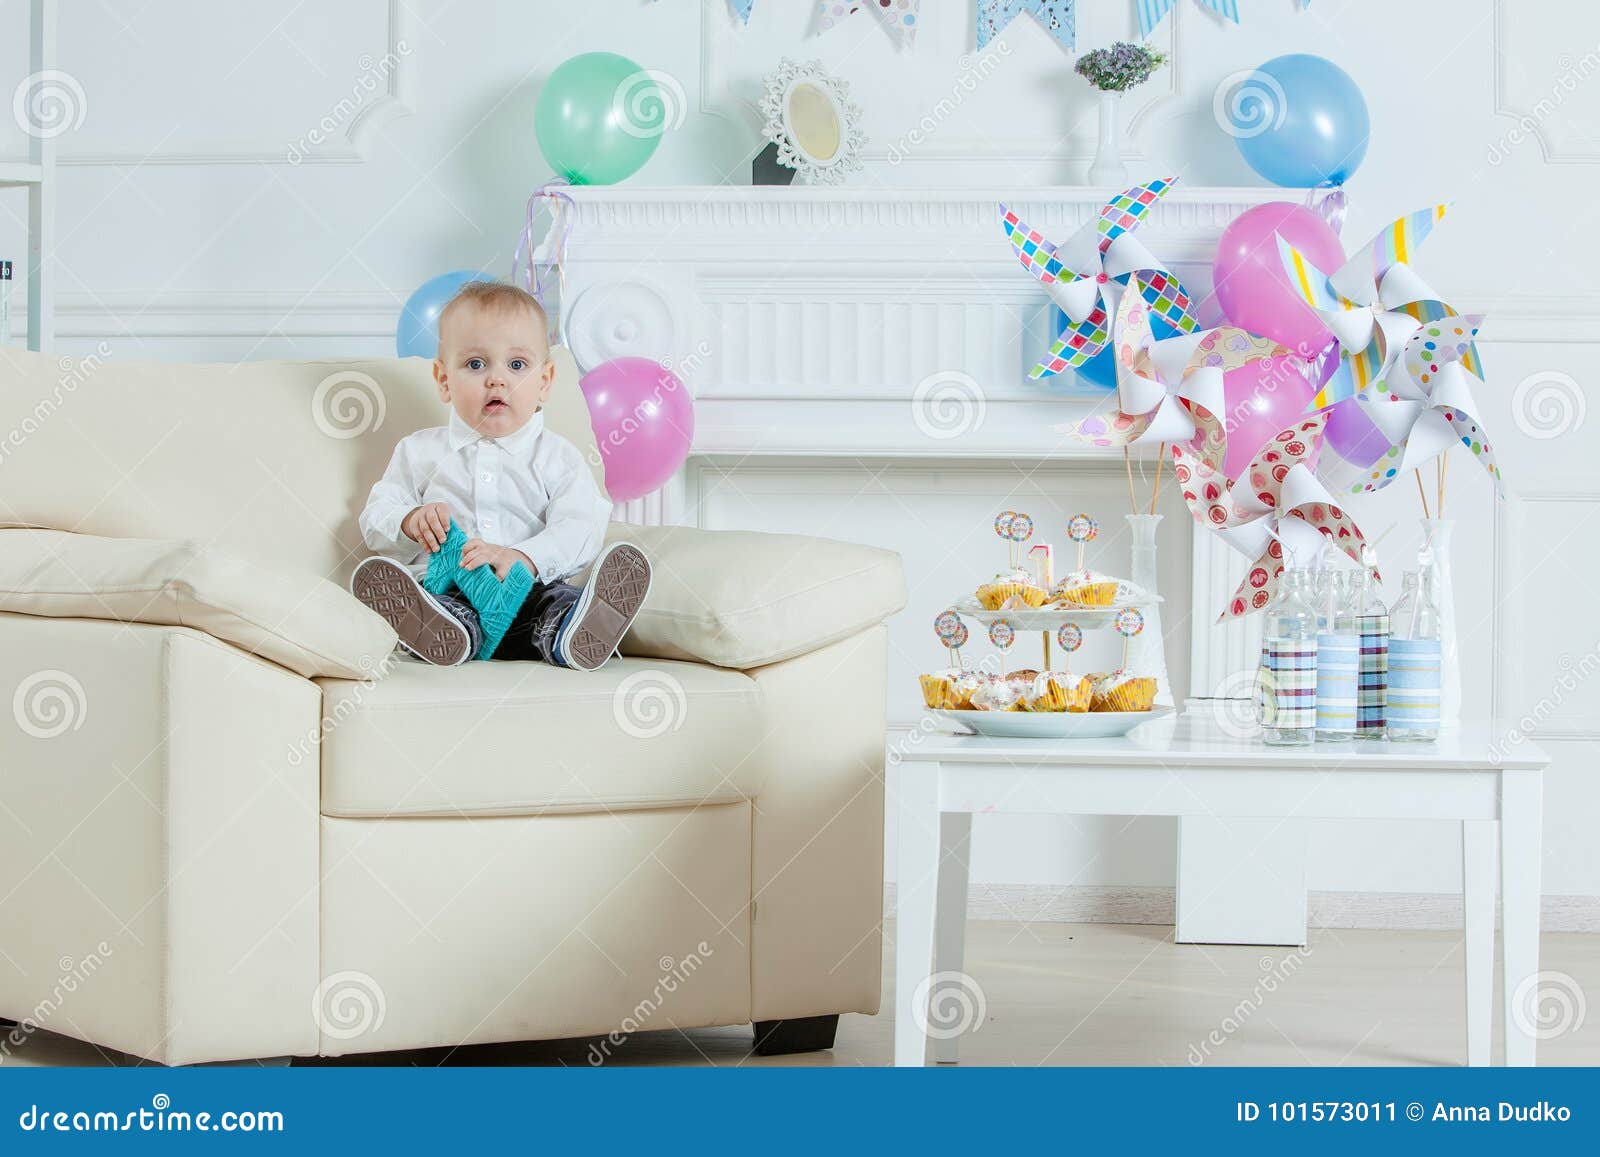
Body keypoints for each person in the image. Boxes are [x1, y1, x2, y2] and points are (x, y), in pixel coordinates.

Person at [350, 281, 649, 669]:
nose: (497, 379)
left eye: (517, 365)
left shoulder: (558, 457)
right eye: (476, 365)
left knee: (556, 604)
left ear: (544, 383)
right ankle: (439, 632)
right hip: (457, 591)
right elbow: (376, 515)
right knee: (445, 604)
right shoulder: (420, 451)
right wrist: (408, 521)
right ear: (444, 380)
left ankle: (576, 631)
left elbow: (582, 524)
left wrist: (526, 557)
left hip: (530, 592)